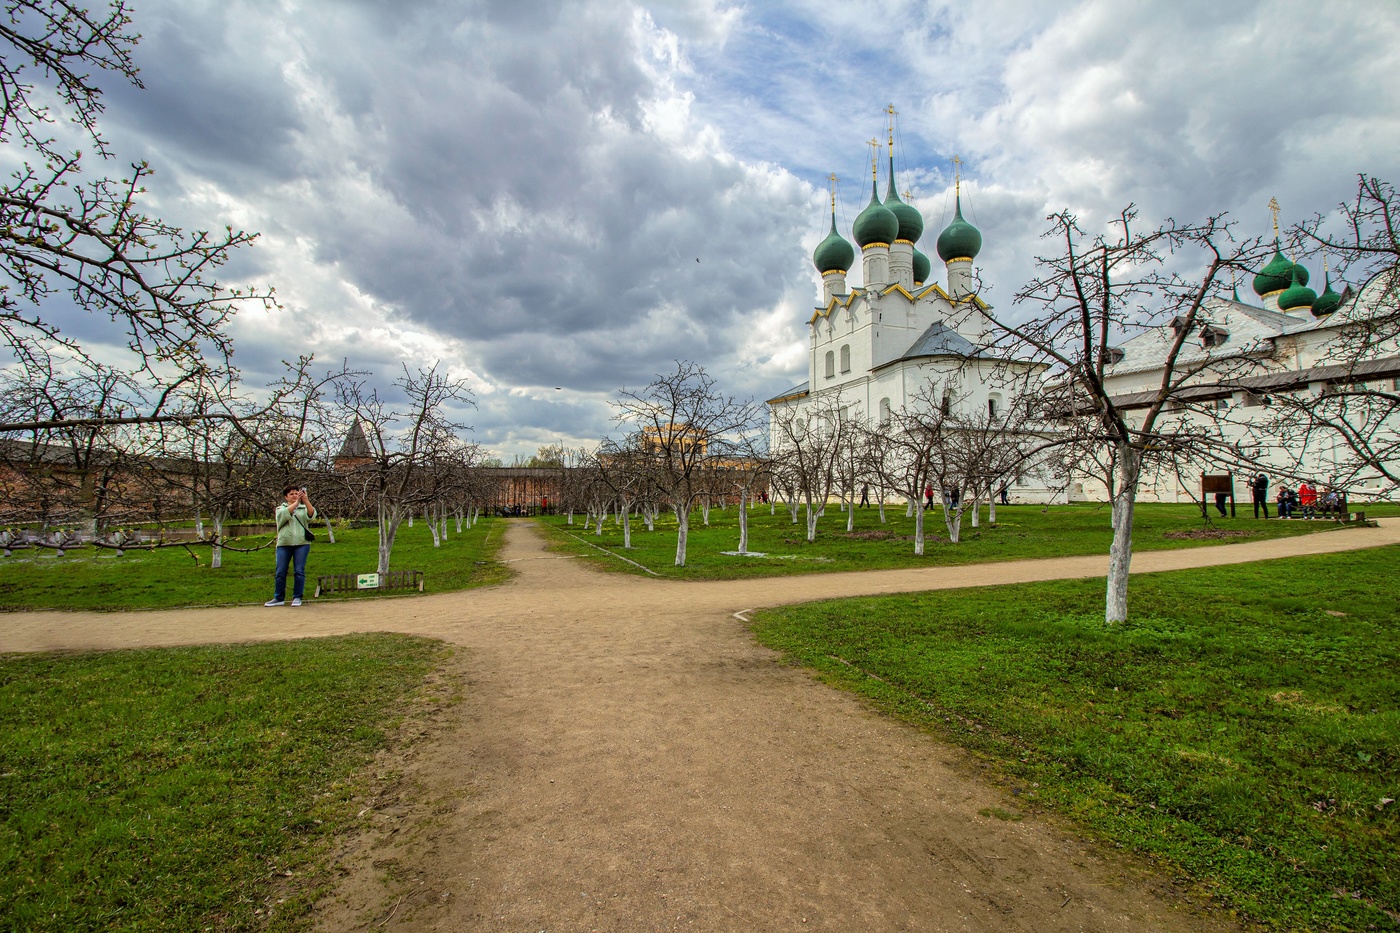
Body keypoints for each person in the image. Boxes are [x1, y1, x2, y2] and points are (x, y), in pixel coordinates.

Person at [266, 484, 316, 607]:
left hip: (302, 543)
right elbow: (283, 516)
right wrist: (297, 502)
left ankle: (297, 597)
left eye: (296, 493)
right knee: (280, 572)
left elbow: (311, 515)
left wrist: (306, 501)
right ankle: (278, 598)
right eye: (291, 494)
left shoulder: (303, 508)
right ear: (286, 497)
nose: (294, 496)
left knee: (299, 571)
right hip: (284, 544)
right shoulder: (280, 509)